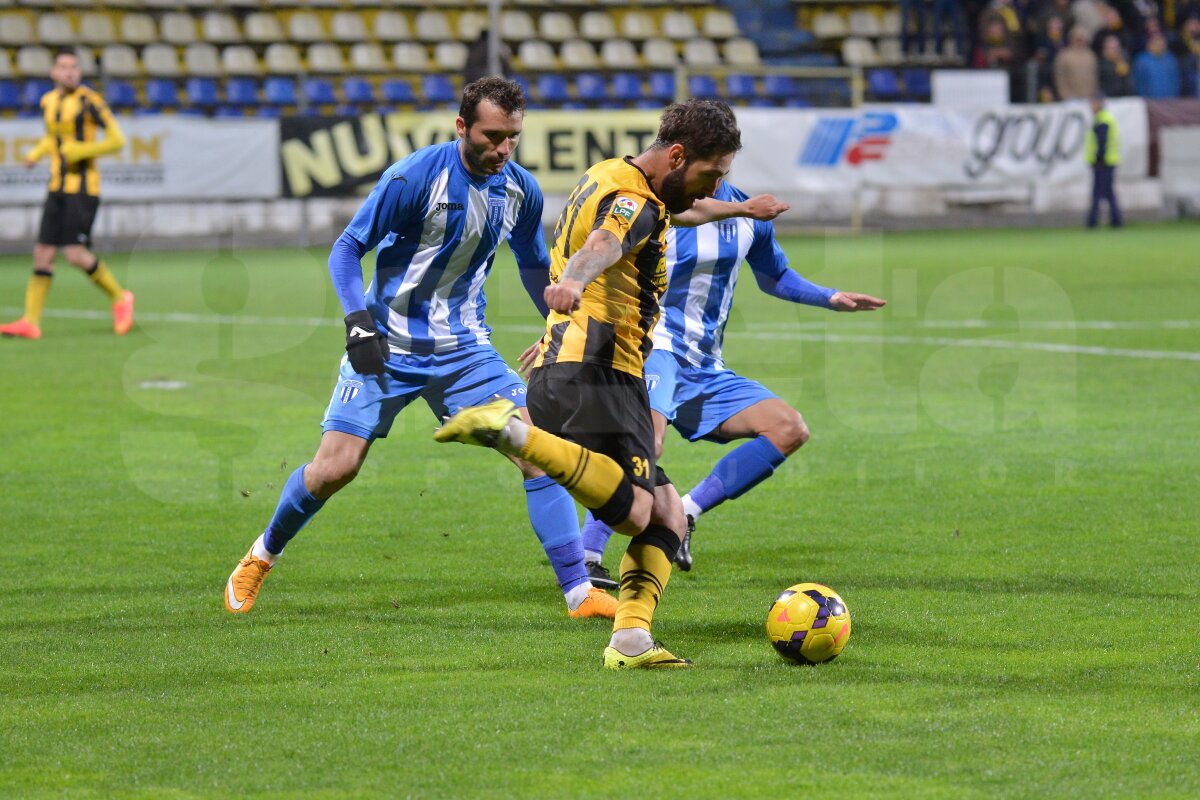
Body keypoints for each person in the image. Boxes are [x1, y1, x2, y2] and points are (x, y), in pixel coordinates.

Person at [224, 78, 620, 621]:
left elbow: (533, 266)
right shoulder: (414, 177)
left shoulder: (521, 190)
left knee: (536, 448)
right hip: (387, 344)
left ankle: (579, 592)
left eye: (513, 137)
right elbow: (346, 249)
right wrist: (358, 324)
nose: (503, 149)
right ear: (462, 127)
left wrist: (558, 323)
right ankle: (261, 555)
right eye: (492, 136)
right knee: (335, 469)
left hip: (465, 352)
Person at [435, 100, 774, 669]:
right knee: (639, 515)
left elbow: (666, 214)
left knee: (668, 512)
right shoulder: (635, 202)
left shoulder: (610, 175)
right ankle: (514, 434)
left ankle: (630, 640)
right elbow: (606, 243)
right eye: (712, 175)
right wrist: (569, 281)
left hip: (565, 370)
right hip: (600, 373)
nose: (714, 186)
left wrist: (732, 211)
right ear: (676, 155)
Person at [577, 179, 885, 578]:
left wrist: (829, 296)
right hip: (654, 346)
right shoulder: (657, 204)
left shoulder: (748, 212)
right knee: (646, 440)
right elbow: (603, 263)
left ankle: (686, 511)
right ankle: (587, 554)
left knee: (788, 427)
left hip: (706, 364)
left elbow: (774, 275)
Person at [1, 48, 132, 341]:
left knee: (74, 254)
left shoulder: (90, 102)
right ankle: (30, 321)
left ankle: (120, 298)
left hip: (83, 188)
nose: (69, 72)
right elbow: (53, 137)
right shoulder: (49, 101)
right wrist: (35, 154)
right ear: (54, 72)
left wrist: (82, 150)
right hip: (56, 186)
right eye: (63, 66)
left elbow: (117, 140)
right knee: (43, 253)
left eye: (74, 67)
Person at [1086, 95, 1123, 228]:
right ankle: (1116, 221)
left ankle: (1092, 222)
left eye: (1093, 103)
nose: (1090, 106)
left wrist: (1098, 160)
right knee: (1108, 193)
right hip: (1108, 161)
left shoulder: (1103, 120)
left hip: (1104, 162)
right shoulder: (1104, 118)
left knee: (1098, 193)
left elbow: (1102, 142)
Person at [1055, 26, 1101, 100]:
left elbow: (1095, 76)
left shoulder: (1091, 55)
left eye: (1082, 39)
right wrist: (1065, 95)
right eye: (1077, 39)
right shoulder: (1064, 56)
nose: (1080, 41)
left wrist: (1094, 93)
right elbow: (1060, 78)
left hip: (1089, 97)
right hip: (1071, 98)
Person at [1133, 31, 1182, 96]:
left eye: (1162, 41)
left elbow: (1176, 80)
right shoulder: (1141, 60)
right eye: (1156, 41)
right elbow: (1138, 82)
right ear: (1149, 43)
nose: (1160, 44)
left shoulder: (1171, 59)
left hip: (1171, 101)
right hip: (1149, 101)